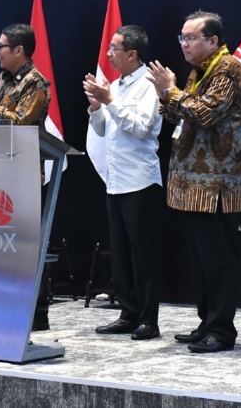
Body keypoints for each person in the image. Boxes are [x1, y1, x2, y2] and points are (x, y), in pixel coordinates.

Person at [147, 11, 241, 353]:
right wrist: (168, 96)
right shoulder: (198, 72)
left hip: (217, 185)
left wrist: (171, 91)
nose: (184, 44)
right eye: (182, 38)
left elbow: (206, 113)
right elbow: (180, 115)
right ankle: (207, 322)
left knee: (218, 261)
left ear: (213, 41)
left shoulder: (229, 70)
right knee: (200, 259)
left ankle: (222, 331)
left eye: (191, 38)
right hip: (193, 183)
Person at [0, 23, 52, 331]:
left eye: (2, 46)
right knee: (1, 244)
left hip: (25, 173)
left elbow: (20, 124)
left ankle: (36, 313)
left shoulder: (37, 83)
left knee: (27, 246)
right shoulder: (3, 78)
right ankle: (4, 305)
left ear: (19, 50)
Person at [84, 25, 163, 341]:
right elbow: (103, 131)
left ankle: (149, 320)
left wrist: (110, 101)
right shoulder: (115, 84)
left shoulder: (149, 84)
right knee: (121, 254)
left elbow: (142, 128)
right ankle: (128, 313)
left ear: (132, 53)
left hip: (140, 181)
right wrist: (95, 105)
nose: (108, 54)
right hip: (115, 181)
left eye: (114, 49)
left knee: (143, 255)